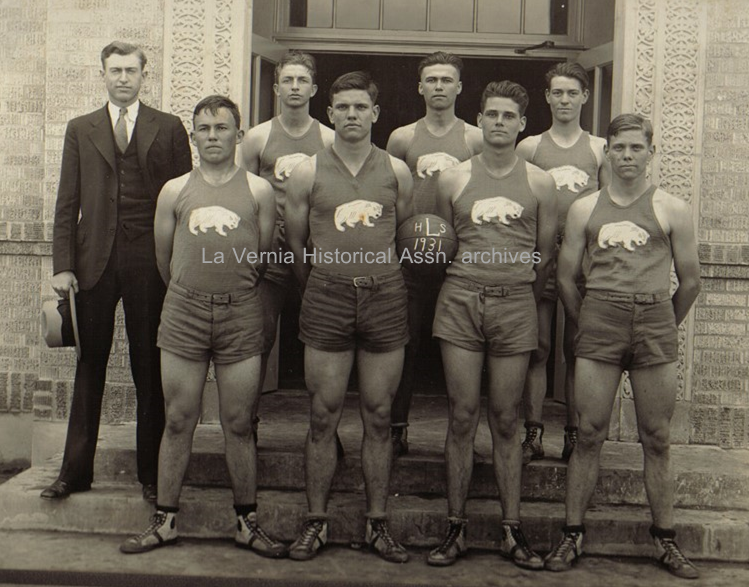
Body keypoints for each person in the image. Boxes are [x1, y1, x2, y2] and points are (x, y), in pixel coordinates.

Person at [119, 95, 285, 557]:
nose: (213, 136)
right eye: (204, 128)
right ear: (194, 136)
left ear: (238, 133)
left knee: (237, 422)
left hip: (240, 314)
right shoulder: (174, 190)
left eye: (222, 127)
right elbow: (165, 260)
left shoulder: (258, 191)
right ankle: (165, 522)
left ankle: (247, 524)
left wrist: (229, 291)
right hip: (185, 314)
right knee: (178, 418)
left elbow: (262, 251)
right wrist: (193, 293)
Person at [545, 114, 701, 580]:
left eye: (636, 148)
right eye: (619, 148)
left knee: (656, 437)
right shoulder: (584, 208)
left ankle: (666, 540)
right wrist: (588, 322)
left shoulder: (672, 208)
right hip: (600, 316)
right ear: (607, 152)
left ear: (651, 152)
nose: (627, 156)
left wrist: (660, 326)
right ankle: (572, 533)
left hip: (654, 315)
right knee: (589, 433)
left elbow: (690, 281)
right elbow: (566, 277)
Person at [43, 41, 192, 502]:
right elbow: (67, 201)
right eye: (115, 70)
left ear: (144, 74)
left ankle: (152, 476)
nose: (123, 77)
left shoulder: (168, 128)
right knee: (90, 365)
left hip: (150, 262)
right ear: (103, 74)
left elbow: (186, 200)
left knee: (149, 367)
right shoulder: (80, 128)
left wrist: (180, 264)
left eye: (131, 70)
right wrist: (63, 266)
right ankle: (74, 472)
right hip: (93, 264)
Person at [285, 71, 414, 563]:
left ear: (376, 113)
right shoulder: (307, 171)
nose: (352, 115)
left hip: (383, 295)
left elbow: (404, 237)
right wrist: (320, 283)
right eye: (343, 108)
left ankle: (378, 524)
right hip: (327, 294)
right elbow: (296, 244)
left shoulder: (396, 171)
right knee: (322, 415)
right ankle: (315, 523)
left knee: (379, 416)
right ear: (330, 113)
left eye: (361, 107)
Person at [428, 81, 557, 569]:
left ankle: (511, 530)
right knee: (462, 416)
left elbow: (544, 254)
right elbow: (441, 245)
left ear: (522, 124)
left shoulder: (540, 183)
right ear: (478, 120)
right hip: (461, 298)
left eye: (509, 115)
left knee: (506, 418)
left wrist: (516, 285)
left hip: (515, 303)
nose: (499, 122)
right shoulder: (453, 179)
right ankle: (454, 529)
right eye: (492, 114)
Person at [386, 51, 483, 457]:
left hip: (458, 258)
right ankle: (395, 429)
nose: (440, 86)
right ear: (420, 86)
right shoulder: (402, 137)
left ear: (459, 87)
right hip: (410, 257)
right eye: (433, 80)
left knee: (464, 347)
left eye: (447, 80)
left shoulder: (475, 138)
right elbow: (391, 194)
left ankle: (464, 437)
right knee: (403, 342)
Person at [516, 62, 609, 464]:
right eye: (558, 92)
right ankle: (533, 434)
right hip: (540, 253)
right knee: (537, 347)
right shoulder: (531, 147)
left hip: (584, 259)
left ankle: (573, 433)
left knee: (578, 348)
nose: (565, 100)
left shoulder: (599, 148)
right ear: (548, 97)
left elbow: (609, 206)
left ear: (585, 97)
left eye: (573, 92)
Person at [240, 51, 334, 407]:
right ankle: (248, 420)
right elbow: (246, 197)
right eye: (288, 81)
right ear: (276, 87)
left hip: (315, 251)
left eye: (302, 81)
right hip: (272, 253)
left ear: (314, 89)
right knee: (259, 336)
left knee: (323, 338)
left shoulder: (328, 139)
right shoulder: (258, 137)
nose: (295, 87)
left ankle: (325, 425)